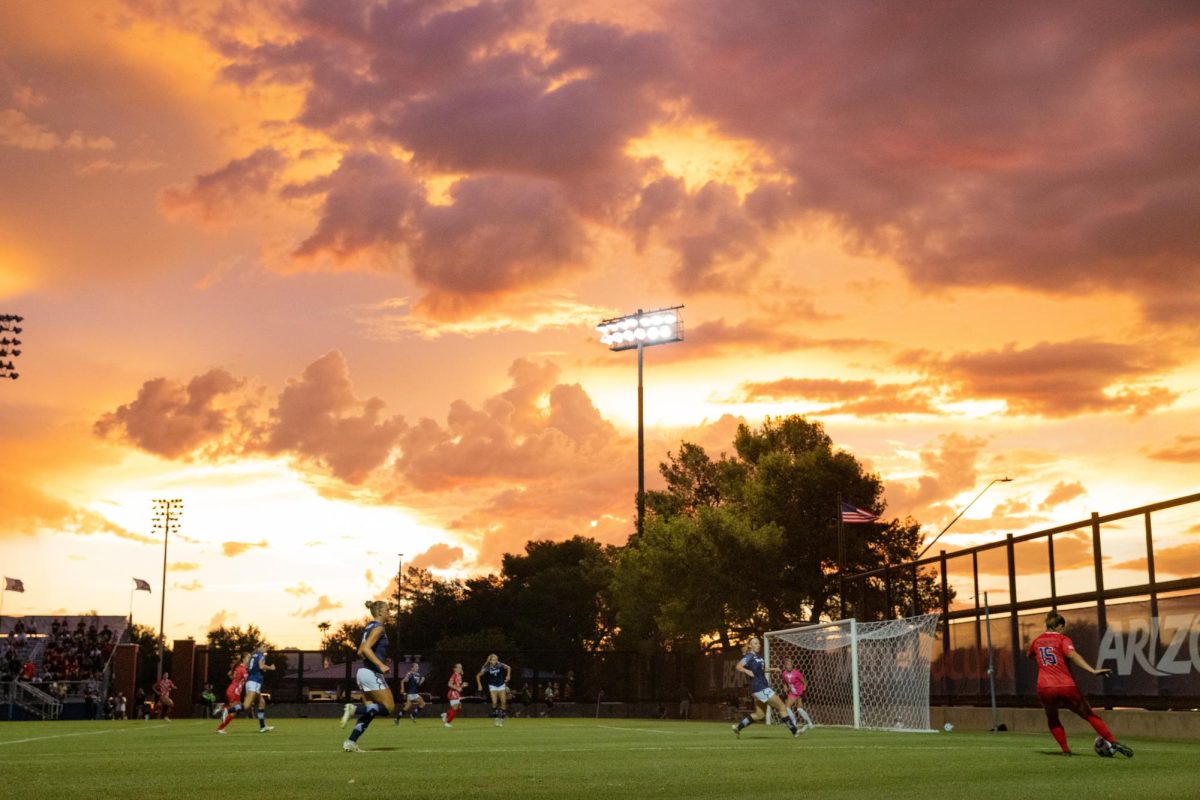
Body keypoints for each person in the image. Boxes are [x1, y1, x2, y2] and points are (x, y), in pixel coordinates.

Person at [1027, 611, 1133, 758]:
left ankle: (1065, 750)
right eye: (1062, 627)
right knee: (1089, 715)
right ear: (1060, 626)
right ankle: (1113, 741)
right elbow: (1072, 655)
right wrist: (1092, 670)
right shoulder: (1063, 640)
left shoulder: (1037, 641)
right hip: (1065, 685)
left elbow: (1030, 655)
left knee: (1052, 717)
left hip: (1044, 687)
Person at [340, 600, 395, 752]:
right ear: (380, 612)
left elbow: (359, 651)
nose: (389, 612)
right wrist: (381, 664)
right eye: (387, 610)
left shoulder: (369, 627)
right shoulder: (379, 628)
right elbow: (365, 649)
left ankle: (351, 742)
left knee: (371, 710)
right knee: (389, 707)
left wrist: (382, 658)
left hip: (363, 672)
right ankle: (354, 709)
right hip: (372, 673)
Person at [731, 636, 801, 738]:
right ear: (750, 646)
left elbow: (761, 670)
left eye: (758, 643)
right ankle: (795, 731)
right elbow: (738, 666)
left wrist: (773, 669)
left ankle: (738, 728)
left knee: (760, 715)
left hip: (758, 689)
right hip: (760, 688)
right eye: (755, 643)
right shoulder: (749, 656)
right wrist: (747, 671)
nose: (758, 645)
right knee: (782, 707)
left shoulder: (759, 658)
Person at [244, 648, 276, 733]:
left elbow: (250, 666)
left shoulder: (254, 656)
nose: (265, 648)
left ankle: (262, 727)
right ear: (259, 648)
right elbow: (261, 666)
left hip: (253, 682)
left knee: (262, 703)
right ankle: (226, 709)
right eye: (264, 646)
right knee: (246, 706)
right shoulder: (260, 655)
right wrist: (271, 668)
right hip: (253, 683)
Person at [215, 653, 249, 734]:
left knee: (235, 711)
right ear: (243, 659)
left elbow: (231, 675)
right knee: (240, 707)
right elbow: (248, 679)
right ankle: (224, 708)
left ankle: (220, 727)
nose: (250, 659)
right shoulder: (242, 668)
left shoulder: (240, 667)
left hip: (234, 690)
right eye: (248, 657)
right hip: (234, 691)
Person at [476, 653, 512, 727]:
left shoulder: (500, 664)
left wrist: (508, 675)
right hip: (493, 686)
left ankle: (501, 719)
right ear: (490, 661)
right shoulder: (487, 667)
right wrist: (479, 685)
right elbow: (478, 676)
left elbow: (509, 667)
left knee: (503, 702)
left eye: (496, 659)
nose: (495, 661)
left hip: (501, 685)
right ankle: (496, 718)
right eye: (493, 660)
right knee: (494, 702)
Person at [780, 659, 814, 732]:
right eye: (787, 664)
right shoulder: (784, 673)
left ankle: (809, 722)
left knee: (799, 709)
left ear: (792, 665)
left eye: (790, 664)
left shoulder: (797, 673)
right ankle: (794, 723)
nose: (789, 666)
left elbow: (805, 682)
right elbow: (785, 683)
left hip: (799, 692)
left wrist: (804, 690)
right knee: (787, 707)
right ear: (785, 665)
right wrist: (784, 691)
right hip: (792, 693)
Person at [441, 663, 464, 728]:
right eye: (459, 667)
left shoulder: (459, 676)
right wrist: (457, 688)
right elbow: (449, 684)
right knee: (455, 708)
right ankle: (447, 723)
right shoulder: (454, 675)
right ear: (455, 669)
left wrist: (461, 686)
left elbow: (458, 685)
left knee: (459, 708)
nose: (460, 669)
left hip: (456, 693)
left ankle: (445, 714)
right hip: (453, 693)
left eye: (461, 667)